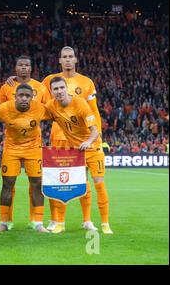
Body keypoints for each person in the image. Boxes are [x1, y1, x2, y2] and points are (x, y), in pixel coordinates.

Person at [42, 46, 104, 233]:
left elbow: (93, 111)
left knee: (83, 179)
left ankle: (86, 220)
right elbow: (38, 102)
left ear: (76, 59)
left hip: (81, 140)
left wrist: (97, 135)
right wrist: (16, 81)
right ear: (59, 60)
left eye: (70, 57)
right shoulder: (48, 81)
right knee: (57, 181)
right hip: (58, 137)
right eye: (64, 57)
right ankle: (56, 220)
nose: (67, 60)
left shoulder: (86, 82)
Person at [1, 55, 50, 230]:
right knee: (8, 184)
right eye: (20, 65)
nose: (23, 68)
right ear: (15, 68)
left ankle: (36, 221)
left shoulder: (41, 88)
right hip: (11, 144)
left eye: (26, 65)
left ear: (31, 68)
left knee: (36, 183)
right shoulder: (7, 87)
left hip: (33, 144)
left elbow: (49, 110)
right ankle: (5, 222)